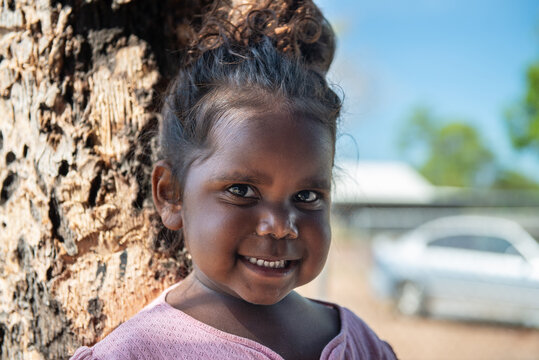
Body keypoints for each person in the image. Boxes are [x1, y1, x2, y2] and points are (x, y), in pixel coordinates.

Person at [71, 1, 397, 359]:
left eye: (306, 196)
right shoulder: (136, 353)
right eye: (242, 191)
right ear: (171, 194)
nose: (279, 227)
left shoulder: (360, 344)